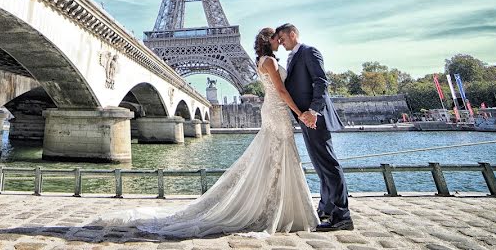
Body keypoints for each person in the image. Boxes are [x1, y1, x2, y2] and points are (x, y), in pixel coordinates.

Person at [88, 27, 318, 238]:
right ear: (270, 41)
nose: (280, 41)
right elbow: (280, 90)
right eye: (277, 38)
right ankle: (279, 207)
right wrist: (299, 112)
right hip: (277, 111)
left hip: (273, 110)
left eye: (281, 38)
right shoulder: (269, 61)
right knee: (278, 155)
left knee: (274, 157)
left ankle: (273, 203)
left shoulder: (262, 61)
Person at [274, 23, 352, 231]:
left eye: (282, 39)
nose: (280, 44)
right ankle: (326, 208)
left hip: (314, 117)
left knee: (328, 163)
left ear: (293, 34)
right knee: (320, 165)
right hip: (306, 118)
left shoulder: (309, 52)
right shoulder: (293, 56)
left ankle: (342, 215)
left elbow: (321, 81)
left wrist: (313, 111)